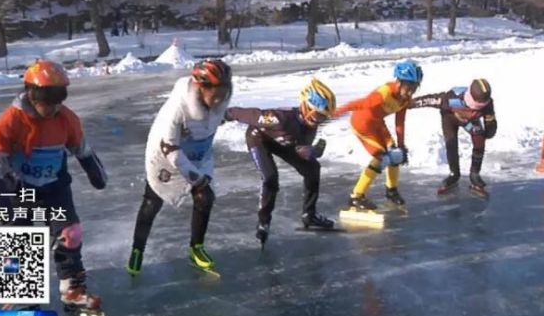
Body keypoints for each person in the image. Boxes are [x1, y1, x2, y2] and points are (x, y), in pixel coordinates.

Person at [0, 60, 108, 316]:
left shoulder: (67, 119)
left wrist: (95, 171)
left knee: (70, 233)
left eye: (59, 98)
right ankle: (18, 296)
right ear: (30, 93)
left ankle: (71, 289)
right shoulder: (10, 121)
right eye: (47, 98)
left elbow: (82, 149)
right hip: (13, 186)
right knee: (16, 239)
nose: (53, 106)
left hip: (53, 185)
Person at [126, 60, 232, 276]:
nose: (220, 97)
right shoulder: (178, 108)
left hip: (198, 155)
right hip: (165, 156)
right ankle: (137, 250)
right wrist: (193, 176)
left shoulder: (218, 104)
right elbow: (170, 148)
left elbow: (215, 120)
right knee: (152, 202)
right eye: (215, 92)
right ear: (200, 88)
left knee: (205, 197)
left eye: (224, 91)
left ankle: (196, 247)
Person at [225, 78, 337, 245]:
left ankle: (309, 215)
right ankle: (263, 222)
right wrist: (223, 115)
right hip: (259, 138)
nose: (318, 120)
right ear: (305, 106)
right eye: (317, 114)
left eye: (323, 117)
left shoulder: (310, 127)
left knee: (313, 169)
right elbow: (248, 114)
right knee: (270, 178)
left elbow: (301, 150)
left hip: (284, 142)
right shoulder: (278, 118)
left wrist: (314, 151)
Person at [335, 60, 423, 211]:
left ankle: (391, 191)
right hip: (361, 124)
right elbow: (358, 104)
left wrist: (401, 145)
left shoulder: (405, 98)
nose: (410, 92)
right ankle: (356, 197)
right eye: (409, 87)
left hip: (377, 124)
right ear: (399, 82)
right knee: (380, 158)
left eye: (414, 88)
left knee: (396, 154)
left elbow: (399, 122)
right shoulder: (384, 93)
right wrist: (335, 112)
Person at [410, 78, 497, 197]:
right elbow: (427, 100)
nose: (473, 111)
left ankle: (474, 175)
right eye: (472, 107)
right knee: (451, 144)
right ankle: (454, 174)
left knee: (479, 140)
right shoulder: (450, 98)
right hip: (450, 118)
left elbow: (490, 130)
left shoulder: (488, 104)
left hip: (469, 122)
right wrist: (407, 104)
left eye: (477, 110)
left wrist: (489, 128)